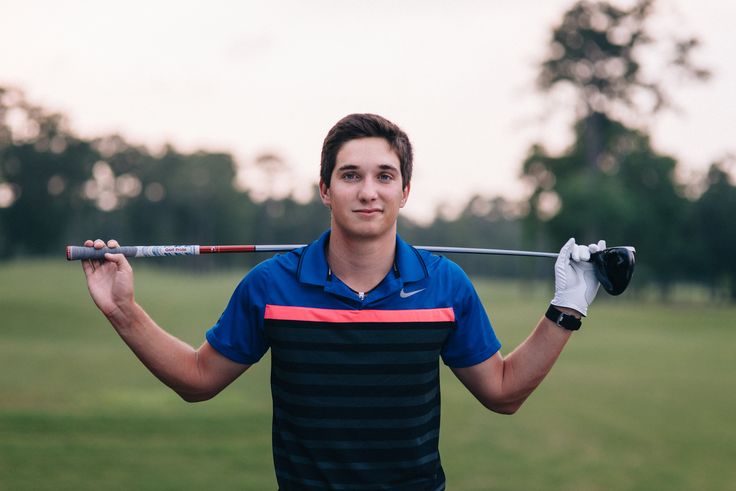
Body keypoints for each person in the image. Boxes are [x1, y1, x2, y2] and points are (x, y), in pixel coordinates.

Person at [81, 113, 604, 490]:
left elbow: (503, 392)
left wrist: (567, 308)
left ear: (405, 191)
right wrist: (123, 310)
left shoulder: (446, 286)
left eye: (384, 176)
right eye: (350, 175)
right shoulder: (271, 286)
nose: (368, 191)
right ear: (326, 190)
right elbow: (198, 380)